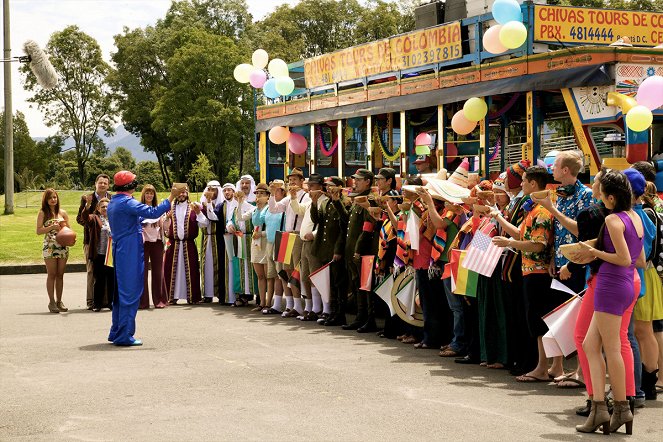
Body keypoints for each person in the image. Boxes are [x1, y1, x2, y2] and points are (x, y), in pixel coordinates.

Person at [575, 170, 645, 434]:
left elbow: (625, 258)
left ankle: (620, 407)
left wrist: (593, 251)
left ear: (611, 197)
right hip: (624, 284)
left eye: (601, 191)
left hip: (612, 284)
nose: (599, 195)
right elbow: (638, 259)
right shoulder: (635, 216)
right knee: (591, 344)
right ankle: (601, 408)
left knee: (612, 348)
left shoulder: (615, 219)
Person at [493, 165, 566, 383]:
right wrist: (498, 217)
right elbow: (519, 233)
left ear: (533, 184)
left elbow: (538, 245)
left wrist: (509, 242)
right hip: (529, 272)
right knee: (537, 321)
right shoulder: (532, 209)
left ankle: (543, 367)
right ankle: (547, 366)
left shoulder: (541, 211)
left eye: (524, 180)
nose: (521, 184)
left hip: (539, 273)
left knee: (539, 321)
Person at [106, 171, 179, 346]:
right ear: (130, 186)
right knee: (130, 292)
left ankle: (116, 331)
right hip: (130, 249)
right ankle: (124, 335)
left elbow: (137, 217)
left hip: (121, 248)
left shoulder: (114, 202)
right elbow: (153, 212)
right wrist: (171, 197)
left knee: (120, 292)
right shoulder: (127, 202)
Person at [336, 169, 378, 332]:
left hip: (362, 251)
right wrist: (336, 202)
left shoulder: (369, 200)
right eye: (355, 180)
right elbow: (347, 222)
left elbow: (367, 228)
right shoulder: (357, 200)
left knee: (365, 286)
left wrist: (358, 250)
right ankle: (360, 317)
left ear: (368, 181)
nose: (355, 182)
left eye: (359, 180)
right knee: (356, 285)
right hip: (351, 249)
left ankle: (369, 319)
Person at [268, 168, 311, 317]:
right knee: (286, 271)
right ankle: (293, 304)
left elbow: (300, 211)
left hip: (298, 235)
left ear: (301, 181)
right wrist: (273, 194)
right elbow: (273, 209)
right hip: (286, 235)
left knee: (296, 270)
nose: (292, 182)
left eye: (295, 179)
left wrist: (292, 197)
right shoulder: (287, 198)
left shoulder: (306, 197)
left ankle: (300, 305)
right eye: (290, 180)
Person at [310, 176, 349, 326]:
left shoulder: (344, 202)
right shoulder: (325, 202)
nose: (328, 188)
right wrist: (314, 202)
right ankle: (332, 312)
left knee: (339, 282)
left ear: (339, 187)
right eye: (327, 186)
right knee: (330, 283)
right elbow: (317, 220)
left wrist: (338, 249)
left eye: (332, 186)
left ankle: (340, 314)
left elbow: (343, 227)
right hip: (325, 248)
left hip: (335, 248)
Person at [77, 174, 111, 310]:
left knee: (109, 272)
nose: (102, 185)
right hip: (91, 242)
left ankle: (106, 301)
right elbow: (80, 219)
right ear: (95, 183)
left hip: (109, 243)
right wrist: (93, 227)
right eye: (100, 182)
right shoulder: (87, 199)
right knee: (92, 272)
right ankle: (91, 301)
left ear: (108, 185)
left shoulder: (113, 199)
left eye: (105, 183)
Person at [164, 184, 201, 305]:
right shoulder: (168, 207)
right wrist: (167, 219)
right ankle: (171, 297)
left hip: (188, 244)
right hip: (173, 244)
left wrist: (199, 213)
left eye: (184, 192)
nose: (181, 195)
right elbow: (163, 226)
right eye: (179, 192)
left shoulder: (194, 207)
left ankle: (192, 297)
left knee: (192, 271)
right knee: (170, 270)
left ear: (187, 193)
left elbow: (204, 223)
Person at [36, 189, 71, 313]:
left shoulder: (63, 213)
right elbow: (38, 231)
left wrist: (70, 237)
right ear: (46, 200)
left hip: (62, 247)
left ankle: (59, 301)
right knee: (52, 274)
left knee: (60, 274)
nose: (53, 200)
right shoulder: (43, 213)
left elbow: (69, 230)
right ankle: (51, 302)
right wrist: (51, 227)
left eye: (55, 197)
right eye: (50, 198)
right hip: (50, 247)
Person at [83, 197, 114, 312]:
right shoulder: (94, 218)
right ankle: (97, 304)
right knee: (99, 279)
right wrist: (87, 206)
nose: (105, 208)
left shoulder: (114, 219)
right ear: (98, 208)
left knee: (111, 279)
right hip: (99, 253)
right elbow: (85, 218)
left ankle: (111, 303)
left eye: (107, 206)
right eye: (103, 207)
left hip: (111, 254)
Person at [139, 185, 167, 309]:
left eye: (151, 193)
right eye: (147, 193)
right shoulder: (138, 209)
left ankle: (160, 300)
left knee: (158, 272)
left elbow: (165, 228)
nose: (149, 196)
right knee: (142, 273)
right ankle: (142, 301)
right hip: (143, 243)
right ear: (143, 195)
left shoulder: (158, 209)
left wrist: (167, 219)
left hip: (157, 242)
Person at [262, 180, 287, 314]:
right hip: (270, 242)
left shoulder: (285, 205)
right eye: (273, 189)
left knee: (281, 274)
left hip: (281, 240)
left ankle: (287, 304)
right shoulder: (269, 206)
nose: (274, 191)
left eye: (277, 189)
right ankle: (276, 304)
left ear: (283, 191)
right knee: (273, 275)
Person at [197, 180, 224, 303]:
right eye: (209, 189)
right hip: (206, 237)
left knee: (218, 265)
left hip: (217, 238)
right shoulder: (201, 205)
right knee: (206, 266)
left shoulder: (221, 204)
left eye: (214, 190)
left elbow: (215, 219)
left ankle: (219, 293)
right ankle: (207, 294)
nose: (211, 192)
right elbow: (202, 223)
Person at [249, 184, 270, 311]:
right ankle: (261, 302)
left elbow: (272, 229)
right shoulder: (254, 209)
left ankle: (268, 302)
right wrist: (240, 202)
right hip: (256, 243)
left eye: (262, 193)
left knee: (268, 275)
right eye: (257, 193)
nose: (258, 196)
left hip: (266, 240)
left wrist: (261, 233)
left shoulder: (269, 209)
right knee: (260, 275)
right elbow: (240, 217)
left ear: (268, 196)